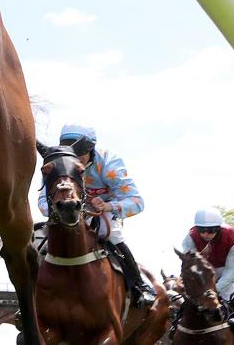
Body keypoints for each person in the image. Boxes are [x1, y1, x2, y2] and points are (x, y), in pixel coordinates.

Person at [37, 123, 156, 306]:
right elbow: (43, 202)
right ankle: (32, 296)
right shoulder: (56, 161)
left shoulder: (109, 163)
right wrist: (63, 209)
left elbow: (137, 202)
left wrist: (109, 206)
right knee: (37, 240)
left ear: (91, 150)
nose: (73, 160)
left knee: (110, 234)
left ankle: (139, 286)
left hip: (102, 213)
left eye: (78, 155)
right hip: (68, 211)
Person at [180, 206, 234, 302]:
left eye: (211, 230)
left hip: (229, 270)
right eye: (201, 230)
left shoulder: (233, 238)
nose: (205, 234)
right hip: (207, 269)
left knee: (229, 296)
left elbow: (232, 270)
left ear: (218, 228)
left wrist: (215, 290)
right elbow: (189, 265)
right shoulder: (191, 236)